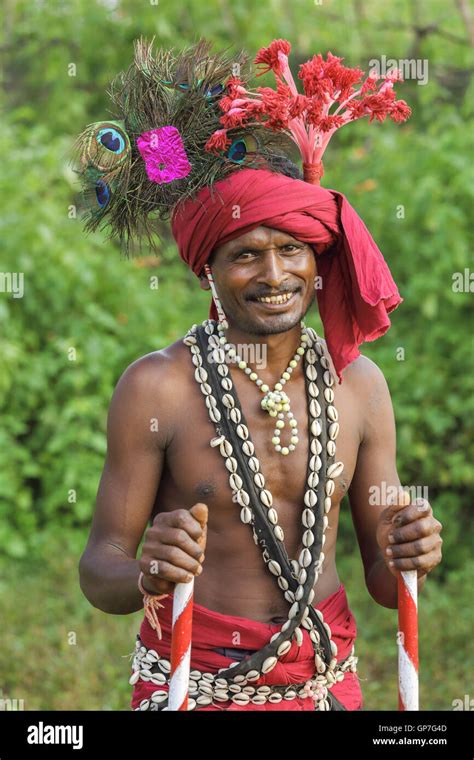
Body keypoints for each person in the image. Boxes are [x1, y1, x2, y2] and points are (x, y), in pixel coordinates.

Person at [76, 38, 443, 711]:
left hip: (326, 680)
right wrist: (147, 572)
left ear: (317, 258)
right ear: (208, 269)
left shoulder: (358, 385)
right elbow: (101, 570)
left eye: (291, 250)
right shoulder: (157, 388)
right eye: (247, 254)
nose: (275, 276)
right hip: (193, 684)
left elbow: (386, 582)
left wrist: (408, 549)